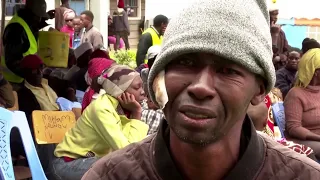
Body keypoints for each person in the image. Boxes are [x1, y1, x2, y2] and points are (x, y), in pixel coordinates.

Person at [82, 0, 320, 179]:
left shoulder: (303, 176)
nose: (200, 87)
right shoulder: (109, 175)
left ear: (259, 89)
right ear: (158, 77)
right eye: (185, 62)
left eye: (228, 70)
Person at [53, 65, 148, 179]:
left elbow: (132, 145)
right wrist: (137, 112)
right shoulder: (102, 108)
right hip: (68, 164)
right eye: (137, 88)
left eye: (142, 87)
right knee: (120, 169)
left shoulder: (123, 108)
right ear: (119, 91)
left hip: (90, 160)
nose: (143, 92)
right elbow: (127, 151)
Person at [1, 0, 52, 90]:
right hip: (14, 82)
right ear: (30, 14)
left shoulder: (25, 23)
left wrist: (45, 18)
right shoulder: (16, 29)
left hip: (24, 79)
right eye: (38, 17)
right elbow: (12, 61)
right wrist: (32, 76)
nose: (39, 19)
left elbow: (32, 29)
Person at [284, 48, 320, 160]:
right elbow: (294, 128)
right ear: (316, 72)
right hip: (304, 140)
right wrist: (318, 137)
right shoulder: (296, 94)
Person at [269, 2, 289, 70]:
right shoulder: (263, 30)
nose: (275, 17)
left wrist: (280, 57)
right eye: (273, 14)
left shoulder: (281, 32)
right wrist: (274, 34)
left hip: (278, 69)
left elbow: (286, 51)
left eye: (276, 15)